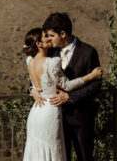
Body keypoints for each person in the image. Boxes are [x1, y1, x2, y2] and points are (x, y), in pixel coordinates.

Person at [22, 27, 102, 161]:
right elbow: (66, 85)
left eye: (50, 35)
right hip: (49, 111)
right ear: (39, 44)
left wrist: (34, 89)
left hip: (36, 112)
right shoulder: (51, 60)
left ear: (63, 34)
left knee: (38, 152)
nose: (49, 38)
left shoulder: (29, 60)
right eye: (46, 36)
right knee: (52, 150)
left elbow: (37, 81)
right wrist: (91, 76)